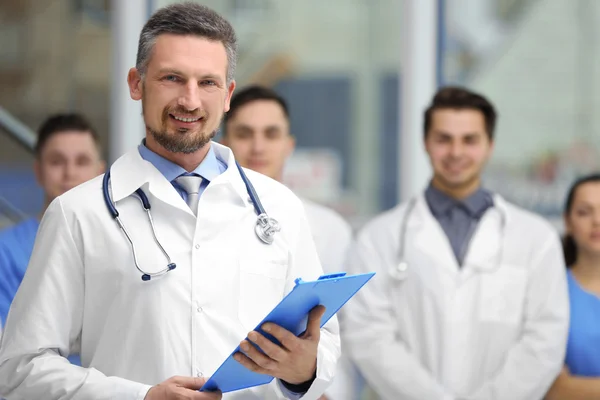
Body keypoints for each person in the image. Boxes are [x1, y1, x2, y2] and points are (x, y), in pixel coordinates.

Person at [0, 3, 339, 400]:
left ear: (228, 94)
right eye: (173, 78)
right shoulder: (78, 214)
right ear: (136, 84)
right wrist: (140, 397)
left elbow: (324, 343)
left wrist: (305, 370)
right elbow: (20, 371)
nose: (190, 101)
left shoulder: (279, 208)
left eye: (208, 83)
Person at [342, 86, 570, 400]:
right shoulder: (379, 238)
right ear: (426, 143)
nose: (456, 153)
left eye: (470, 140)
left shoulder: (536, 238)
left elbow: (545, 337)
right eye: (443, 139)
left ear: (490, 145)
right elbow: (368, 334)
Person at [221, 85, 362, 400]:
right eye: (245, 134)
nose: (258, 146)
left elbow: (344, 333)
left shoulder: (330, 229)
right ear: (224, 144)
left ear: (288, 145)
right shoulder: (206, 225)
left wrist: (324, 390)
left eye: (271, 134)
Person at [0, 113, 105, 365]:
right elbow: (10, 348)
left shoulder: (124, 244)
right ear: (38, 171)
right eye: (57, 161)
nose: (70, 173)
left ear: (101, 172)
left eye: (82, 161)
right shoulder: (6, 251)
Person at [546, 173, 600, 400]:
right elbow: (552, 389)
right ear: (567, 221)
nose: (597, 221)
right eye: (584, 212)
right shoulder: (550, 292)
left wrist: (579, 388)